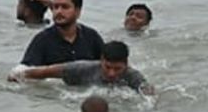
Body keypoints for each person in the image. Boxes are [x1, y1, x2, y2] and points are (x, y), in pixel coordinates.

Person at [10, 40, 153, 94]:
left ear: (126, 64)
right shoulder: (82, 68)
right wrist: (19, 75)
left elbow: (149, 95)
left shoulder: (133, 76)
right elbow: (46, 72)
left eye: (117, 69)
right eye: (107, 67)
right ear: (101, 60)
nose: (111, 73)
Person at [20, 0, 104, 66]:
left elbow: (108, 66)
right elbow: (24, 72)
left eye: (65, 7)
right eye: (56, 7)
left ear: (78, 11)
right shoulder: (42, 39)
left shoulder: (91, 37)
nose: (59, 11)